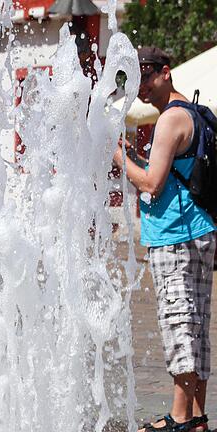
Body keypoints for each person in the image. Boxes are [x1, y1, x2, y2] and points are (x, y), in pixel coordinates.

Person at [113, 47, 215, 432]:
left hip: (176, 238)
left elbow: (153, 184)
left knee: (179, 325)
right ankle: (198, 418)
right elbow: (170, 174)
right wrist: (135, 157)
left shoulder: (170, 120)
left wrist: (118, 158)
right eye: (133, 78)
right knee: (198, 326)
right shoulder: (191, 113)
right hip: (198, 232)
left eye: (145, 75)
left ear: (165, 73)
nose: (138, 85)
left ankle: (179, 418)